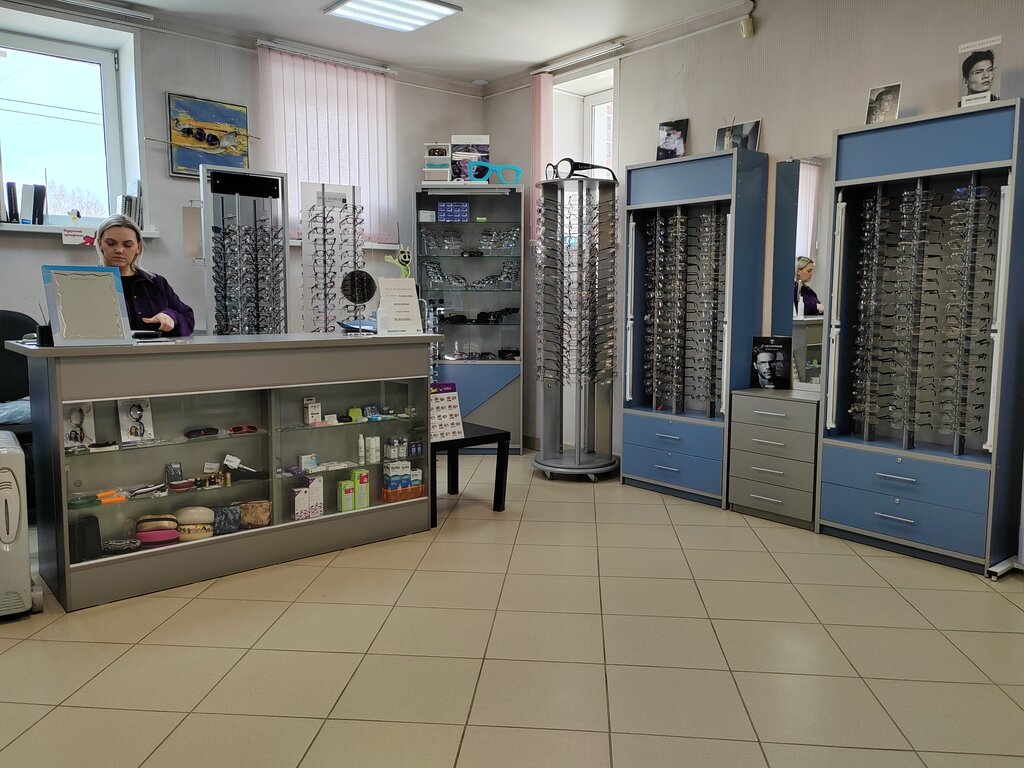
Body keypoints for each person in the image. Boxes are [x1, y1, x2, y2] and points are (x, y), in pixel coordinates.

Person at [95, 214, 195, 336]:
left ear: (138, 247)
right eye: (111, 243)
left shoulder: (156, 283)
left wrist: (171, 317)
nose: (119, 250)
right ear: (100, 244)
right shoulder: (87, 282)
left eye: (127, 245)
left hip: (153, 348)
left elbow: (188, 318)